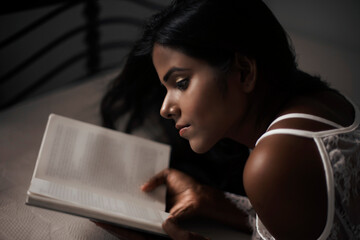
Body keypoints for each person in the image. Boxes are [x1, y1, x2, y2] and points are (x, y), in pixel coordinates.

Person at [99, 0, 360, 239]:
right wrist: (209, 198)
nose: (165, 109)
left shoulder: (271, 161)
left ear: (244, 72)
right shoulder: (327, 101)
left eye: (182, 82)